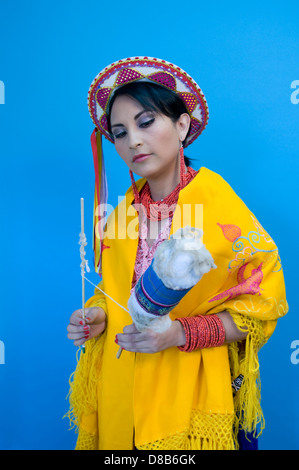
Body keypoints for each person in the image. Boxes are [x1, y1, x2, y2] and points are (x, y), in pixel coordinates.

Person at [66, 57, 288, 451]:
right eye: (119, 132)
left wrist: (179, 333)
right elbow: (115, 291)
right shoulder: (122, 215)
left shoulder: (220, 206)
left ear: (182, 125)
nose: (132, 139)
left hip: (189, 399)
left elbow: (260, 308)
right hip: (123, 395)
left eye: (146, 122)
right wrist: (98, 315)